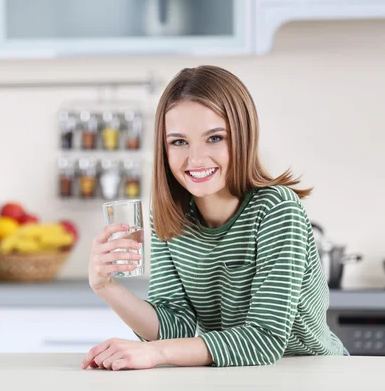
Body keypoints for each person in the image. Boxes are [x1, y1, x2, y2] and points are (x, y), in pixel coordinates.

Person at [81, 65, 348, 371]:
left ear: (243, 136)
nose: (195, 159)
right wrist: (106, 286)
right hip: (232, 373)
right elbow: (174, 326)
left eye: (215, 138)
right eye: (179, 142)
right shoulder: (169, 215)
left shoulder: (276, 209)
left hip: (311, 373)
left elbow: (264, 338)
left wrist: (157, 353)